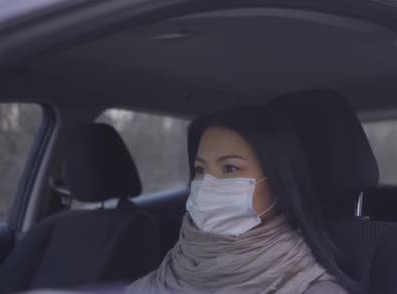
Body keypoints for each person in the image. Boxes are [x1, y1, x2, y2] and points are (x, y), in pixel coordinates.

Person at [127, 106, 361, 294]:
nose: (208, 184)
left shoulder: (314, 289)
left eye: (230, 168)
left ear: (278, 184)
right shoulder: (169, 270)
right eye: (200, 170)